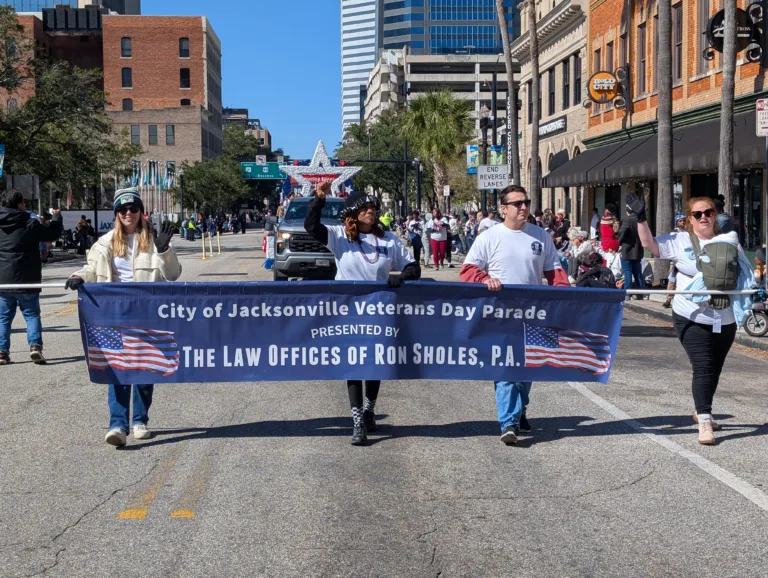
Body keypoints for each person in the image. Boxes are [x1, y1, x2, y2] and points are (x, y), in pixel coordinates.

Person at [304, 181, 421, 446]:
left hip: (378, 308)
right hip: (348, 310)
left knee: (375, 362)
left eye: (373, 207)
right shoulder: (339, 236)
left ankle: (370, 409)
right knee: (354, 364)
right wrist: (318, 199)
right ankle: (357, 420)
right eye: (366, 207)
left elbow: (413, 267)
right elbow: (311, 227)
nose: (371, 211)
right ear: (353, 213)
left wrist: (400, 277)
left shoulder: (388, 239)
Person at [628, 192, 750, 445]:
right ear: (689, 218)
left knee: (715, 368)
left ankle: (700, 409)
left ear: (715, 216)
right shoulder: (679, 240)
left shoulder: (729, 240)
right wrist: (641, 218)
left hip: (724, 317)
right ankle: (705, 420)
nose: (704, 217)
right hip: (690, 315)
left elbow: (745, 275)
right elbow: (650, 244)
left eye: (709, 213)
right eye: (698, 214)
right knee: (703, 366)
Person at [64, 189, 181, 447]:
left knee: (144, 369)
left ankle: (140, 420)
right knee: (117, 369)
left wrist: (164, 251)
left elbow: (173, 275)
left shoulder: (153, 240)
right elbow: (91, 269)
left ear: (141, 212)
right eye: (123, 209)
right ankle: (118, 424)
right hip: (113, 316)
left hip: (147, 315)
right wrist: (78, 276)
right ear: (117, 214)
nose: (129, 213)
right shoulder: (104, 243)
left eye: (133, 208)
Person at [459, 185, 569, 446]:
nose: (523, 207)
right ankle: (508, 423)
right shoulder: (489, 237)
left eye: (526, 202)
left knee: (527, 371)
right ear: (503, 208)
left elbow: (555, 273)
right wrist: (487, 279)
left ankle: (520, 410)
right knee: (506, 369)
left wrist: (563, 297)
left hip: (533, 315)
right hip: (501, 316)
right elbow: (467, 271)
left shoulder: (540, 235)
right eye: (517, 203)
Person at [0, 192, 64, 366]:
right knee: (31, 314)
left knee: (4, 317)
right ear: (20, 204)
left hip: (3, 278)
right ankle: (35, 346)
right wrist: (56, 217)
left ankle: (2, 352)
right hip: (28, 278)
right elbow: (51, 234)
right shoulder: (29, 222)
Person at [618, 206, 646, 297]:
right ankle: (641, 293)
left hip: (627, 249)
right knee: (637, 272)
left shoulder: (627, 220)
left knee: (627, 271)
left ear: (627, 211)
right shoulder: (641, 219)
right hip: (638, 249)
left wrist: (619, 241)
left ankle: (628, 293)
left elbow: (622, 231)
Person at [663, 213, 687, 308]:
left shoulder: (689, 233)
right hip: (676, 260)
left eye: (684, 221)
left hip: (687, 259)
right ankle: (668, 299)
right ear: (677, 222)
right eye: (680, 221)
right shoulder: (674, 233)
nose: (683, 223)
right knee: (672, 279)